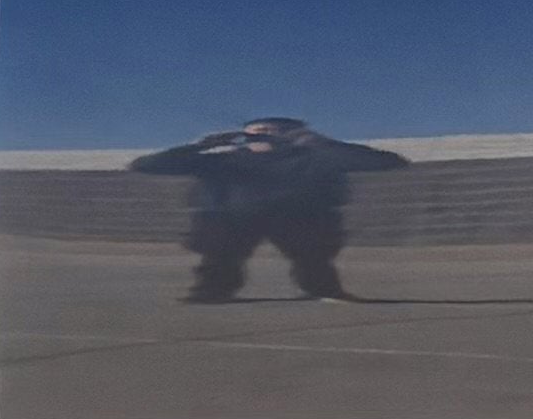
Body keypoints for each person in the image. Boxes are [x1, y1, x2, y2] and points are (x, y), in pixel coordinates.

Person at [131, 114, 409, 303]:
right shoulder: (221, 160)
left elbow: (389, 161)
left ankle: (322, 287)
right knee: (218, 238)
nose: (264, 132)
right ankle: (213, 289)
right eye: (256, 128)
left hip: (300, 218)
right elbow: (145, 166)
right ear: (243, 134)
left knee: (314, 249)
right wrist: (197, 147)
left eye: (274, 128)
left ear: (291, 134)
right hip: (233, 219)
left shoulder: (315, 158)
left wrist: (324, 143)